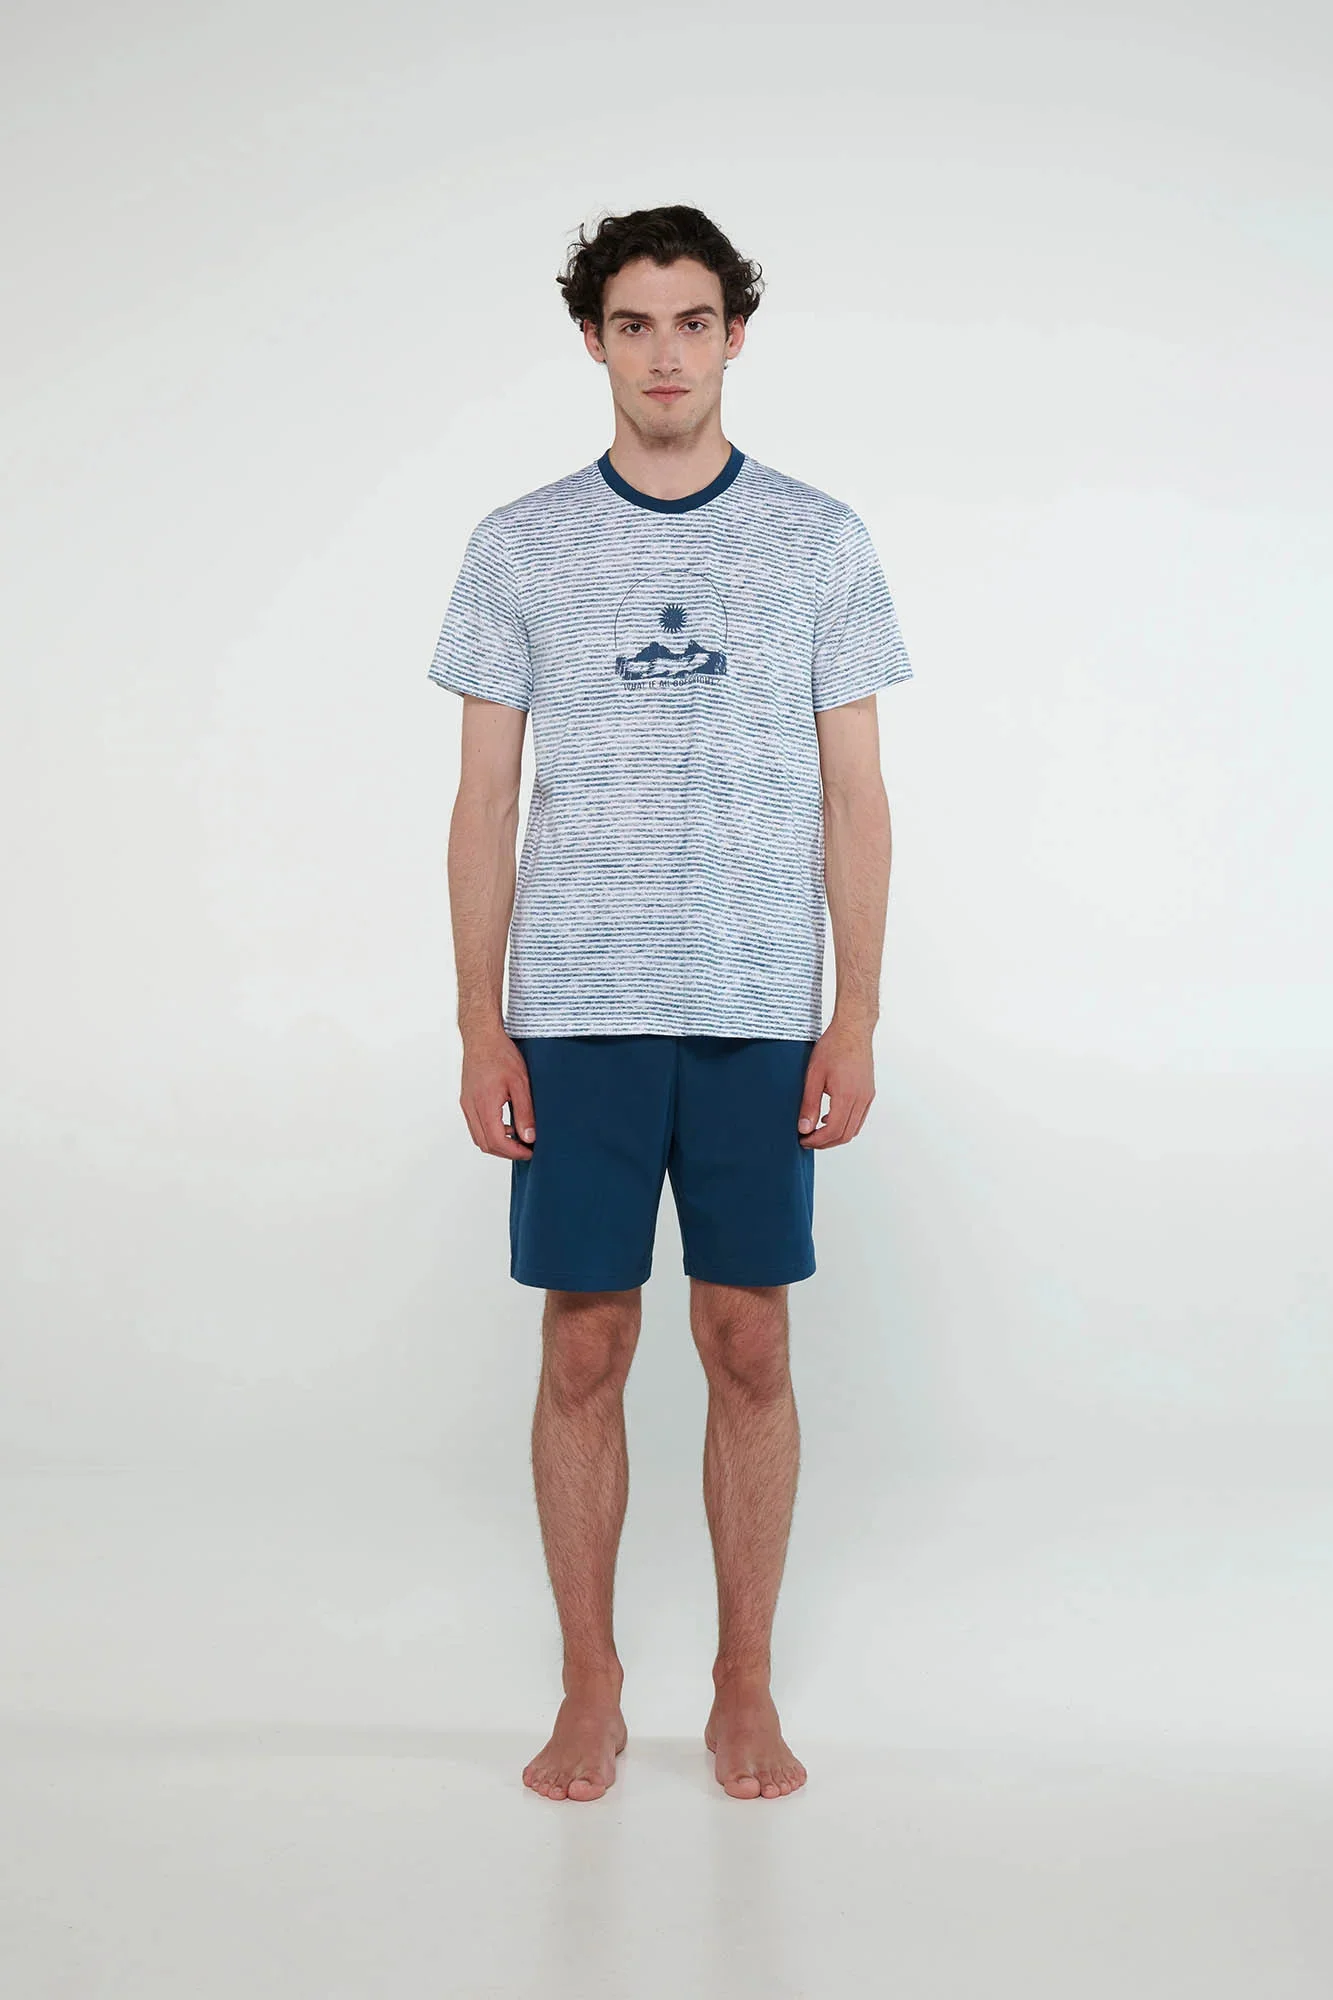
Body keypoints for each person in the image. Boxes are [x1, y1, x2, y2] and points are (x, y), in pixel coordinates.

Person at [427, 204, 914, 1803]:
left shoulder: (818, 540)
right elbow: (483, 799)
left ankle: (743, 1684)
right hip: (576, 1007)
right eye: (632, 324)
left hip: (758, 999)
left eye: (692, 321)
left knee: (748, 1340)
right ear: (593, 341)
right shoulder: (519, 545)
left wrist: (854, 1015)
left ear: (735, 336)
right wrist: (479, 1021)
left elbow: (857, 795)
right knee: (587, 1344)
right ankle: (591, 1686)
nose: (664, 353)